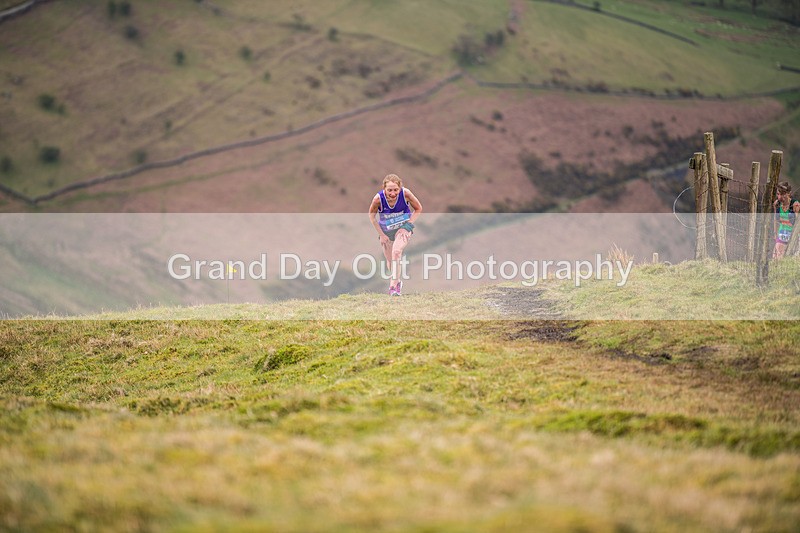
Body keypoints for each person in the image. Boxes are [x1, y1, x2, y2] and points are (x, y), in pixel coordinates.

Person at [368, 174, 423, 295]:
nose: (393, 193)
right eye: (389, 190)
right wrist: (381, 235)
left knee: (396, 252)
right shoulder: (378, 199)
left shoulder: (406, 194)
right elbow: (371, 216)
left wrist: (407, 226)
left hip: (403, 228)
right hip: (386, 231)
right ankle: (397, 282)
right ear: (384, 189)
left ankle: (392, 287)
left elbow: (418, 208)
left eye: (395, 190)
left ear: (400, 188)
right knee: (390, 260)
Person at [772, 181, 800, 259]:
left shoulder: (795, 205)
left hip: (795, 235)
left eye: (782, 194)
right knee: (775, 257)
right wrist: (775, 235)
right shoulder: (776, 204)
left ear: (789, 193)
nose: (780, 197)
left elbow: (797, 224)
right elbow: (775, 221)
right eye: (778, 194)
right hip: (782, 233)